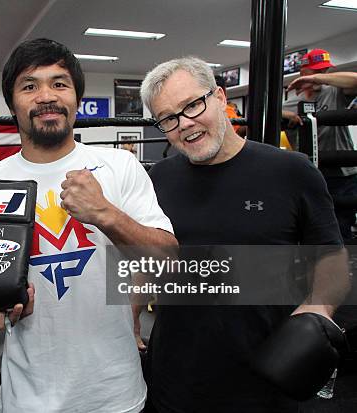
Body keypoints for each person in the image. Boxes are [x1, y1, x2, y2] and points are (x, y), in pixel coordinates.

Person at [0, 38, 177, 412]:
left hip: (113, 394)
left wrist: (105, 214)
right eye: (30, 86)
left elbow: (166, 266)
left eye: (59, 83)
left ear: (76, 97)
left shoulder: (119, 167)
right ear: (12, 103)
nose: (46, 96)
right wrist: (1, 303)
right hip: (25, 397)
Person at [139, 56, 346, 413]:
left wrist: (318, 307)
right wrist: (131, 315)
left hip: (264, 376)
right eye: (169, 118)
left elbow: (331, 257)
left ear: (220, 98)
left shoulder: (291, 171)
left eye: (193, 105)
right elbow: (147, 258)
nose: (185, 124)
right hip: (175, 375)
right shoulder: (158, 178)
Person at [282, 49, 357, 242]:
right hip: (311, 175)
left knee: (342, 230)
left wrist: (319, 78)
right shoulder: (290, 104)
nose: (321, 76)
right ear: (302, 73)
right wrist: (283, 115)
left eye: (324, 72)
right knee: (314, 230)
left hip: (344, 174)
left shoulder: (334, 92)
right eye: (315, 71)